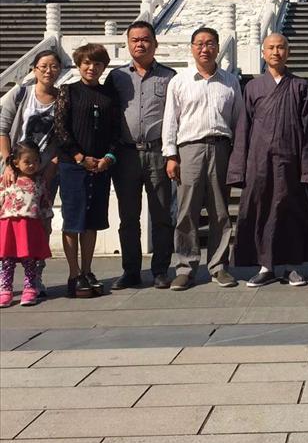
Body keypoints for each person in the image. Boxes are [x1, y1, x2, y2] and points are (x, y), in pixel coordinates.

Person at [227, 33, 308, 288]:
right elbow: (243, 128)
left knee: (291, 213)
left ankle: (292, 267)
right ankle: (266, 266)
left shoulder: (300, 86)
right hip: (259, 163)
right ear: (263, 52)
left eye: (281, 47)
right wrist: (239, 168)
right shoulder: (253, 87)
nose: (276, 52)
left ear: (288, 52)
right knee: (262, 213)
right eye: (271, 48)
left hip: (291, 162)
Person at [162, 27, 242, 290]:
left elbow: (238, 120)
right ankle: (186, 267)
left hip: (220, 148)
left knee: (220, 211)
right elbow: (170, 121)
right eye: (199, 44)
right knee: (187, 211)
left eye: (210, 44)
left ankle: (218, 266)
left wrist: (237, 153)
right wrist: (171, 154)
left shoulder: (230, 81)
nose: (204, 48)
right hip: (189, 150)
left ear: (218, 48)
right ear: (192, 48)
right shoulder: (180, 80)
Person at [106, 21, 177, 290]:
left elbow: (175, 118)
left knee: (161, 215)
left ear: (155, 43)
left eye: (145, 39)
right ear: (128, 44)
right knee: (128, 218)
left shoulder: (169, 77)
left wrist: (173, 155)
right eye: (134, 39)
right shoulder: (117, 78)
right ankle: (131, 271)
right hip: (126, 155)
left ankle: (160, 270)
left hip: (158, 152)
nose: (140, 44)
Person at [55, 43, 120, 298]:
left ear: (104, 67)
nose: (92, 68)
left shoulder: (109, 96)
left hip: (100, 166)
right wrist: (79, 156)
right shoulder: (68, 92)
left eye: (97, 64)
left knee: (92, 221)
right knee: (74, 221)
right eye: (87, 63)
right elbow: (61, 129)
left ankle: (87, 269)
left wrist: (108, 157)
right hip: (74, 165)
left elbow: (116, 131)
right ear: (79, 64)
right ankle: (73, 274)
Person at [1, 49, 62, 295]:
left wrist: (50, 169)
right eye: (44, 66)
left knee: (41, 226)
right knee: (8, 226)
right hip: (13, 175)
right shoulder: (21, 94)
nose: (49, 71)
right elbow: (3, 129)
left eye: (54, 66)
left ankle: (34, 278)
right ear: (34, 69)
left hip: (45, 173)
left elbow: (63, 138)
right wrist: (8, 163)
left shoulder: (63, 99)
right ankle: (5, 280)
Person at [0, 141, 53, 308]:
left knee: (29, 259)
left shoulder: (40, 182)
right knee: (7, 260)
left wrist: (46, 224)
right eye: (27, 162)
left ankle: (30, 287)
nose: (32, 165)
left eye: (36, 161)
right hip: (9, 225)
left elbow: (45, 204)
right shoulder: (8, 179)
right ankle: (5, 289)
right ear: (16, 162)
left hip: (29, 226)